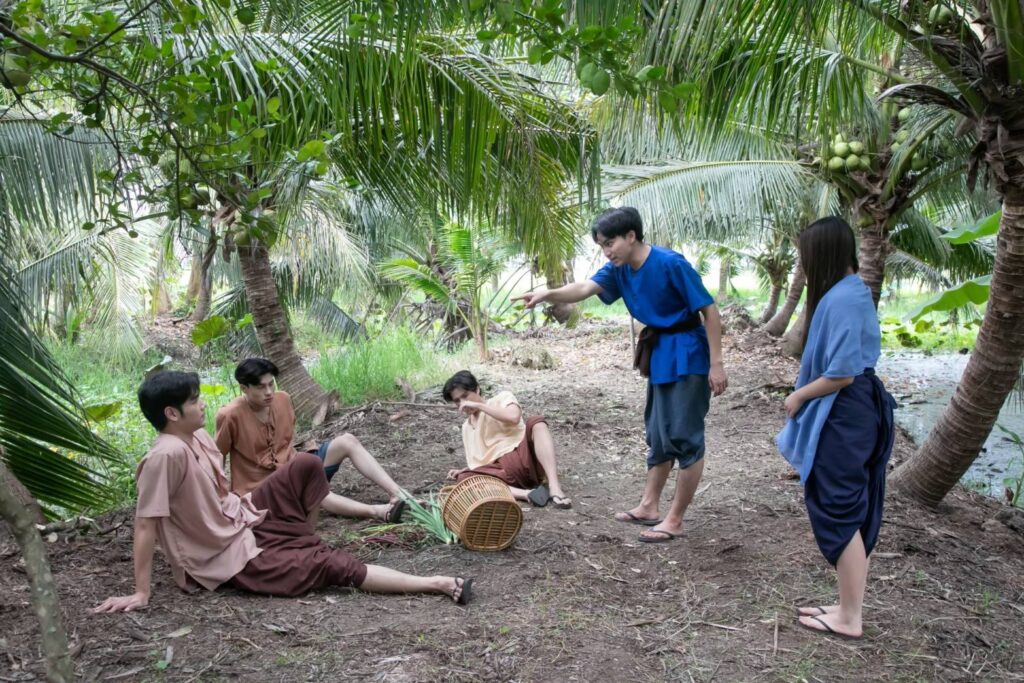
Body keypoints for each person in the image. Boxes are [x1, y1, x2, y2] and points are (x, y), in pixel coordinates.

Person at [93, 371, 472, 614]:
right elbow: (146, 526)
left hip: (242, 515)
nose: (202, 403)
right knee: (332, 565)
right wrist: (141, 593)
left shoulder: (199, 436)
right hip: (224, 555)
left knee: (306, 464)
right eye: (194, 401)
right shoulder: (164, 456)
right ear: (171, 414)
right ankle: (436, 584)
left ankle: (301, 541)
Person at [513, 207, 727, 543]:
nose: (606, 251)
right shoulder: (619, 268)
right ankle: (649, 506)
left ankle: (675, 519)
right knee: (658, 434)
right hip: (660, 355)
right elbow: (585, 288)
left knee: (685, 436)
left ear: (631, 236)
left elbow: (709, 311)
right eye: (601, 245)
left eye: (609, 243)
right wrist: (548, 294)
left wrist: (717, 363)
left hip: (688, 352)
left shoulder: (671, 263)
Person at [776, 217, 896, 640]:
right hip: (857, 406)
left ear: (822, 254)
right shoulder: (851, 290)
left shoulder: (843, 298)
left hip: (846, 410)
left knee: (838, 506)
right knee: (848, 505)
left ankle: (849, 617)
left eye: (805, 256)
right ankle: (847, 606)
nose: (804, 265)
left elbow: (842, 373)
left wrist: (799, 396)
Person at [215, 358, 406, 523]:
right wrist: (223, 500)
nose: (269, 392)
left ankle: (399, 495)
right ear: (244, 388)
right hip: (263, 488)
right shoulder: (229, 415)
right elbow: (217, 458)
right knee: (314, 491)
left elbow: (286, 444)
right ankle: (379, 512)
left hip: (295, 468)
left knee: (347, 441)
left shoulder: (283, 400)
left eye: (271, 384)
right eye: (260, 387)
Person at [442, 370, 571, 508]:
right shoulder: (466, 427)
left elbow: (513, 418)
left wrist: (479, 406)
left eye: (465, 396)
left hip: (524, 458)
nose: (463, 403)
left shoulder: (502, 398)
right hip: (501, 474)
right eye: (457, 401)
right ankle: (527, 494)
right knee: (464, 479)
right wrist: (466, 470)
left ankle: (554, 487)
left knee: (536, 422)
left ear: (477, 389)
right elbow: (481, 460)